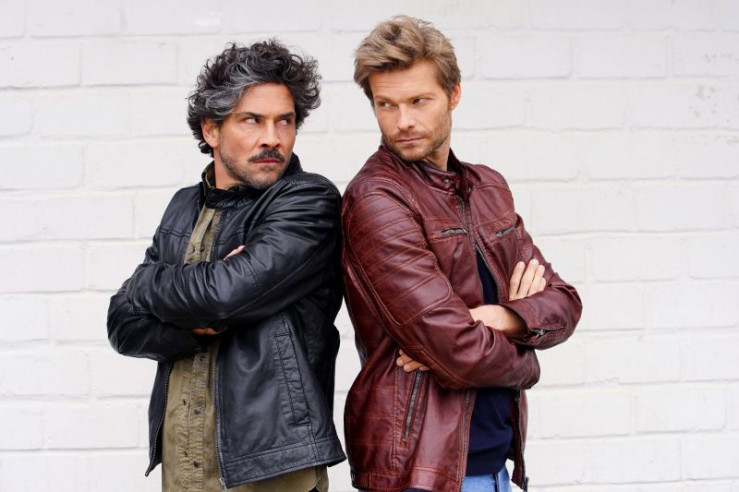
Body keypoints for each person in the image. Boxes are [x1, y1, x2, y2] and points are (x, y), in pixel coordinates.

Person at [341, 16, 583, 492]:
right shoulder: (376, 199)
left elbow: (564, 302)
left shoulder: (488, 187)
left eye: (418, 101)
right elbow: (455, 350)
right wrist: (529, 360)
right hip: (418, 471)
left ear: (453, 94)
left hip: (495, 464)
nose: (403, 121)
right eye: (386, 104)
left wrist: (503, 317)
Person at [107, 40, 345, 491]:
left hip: (272, 467)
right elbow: (122, 325)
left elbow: (222, 295)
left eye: (285, 121)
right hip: (184, 461)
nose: (272, 138)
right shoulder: (182, 207)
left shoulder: (307, 201)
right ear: (212, 130)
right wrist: (194, 322)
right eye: (252, 120)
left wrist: (152, 289)